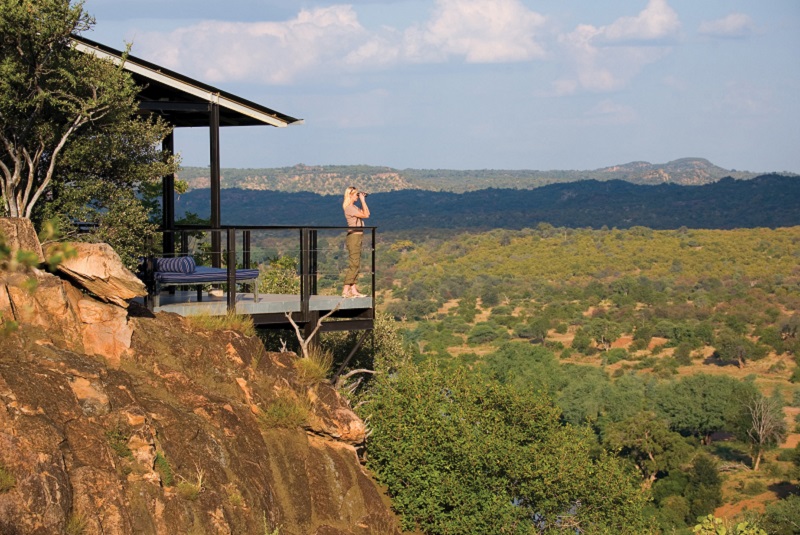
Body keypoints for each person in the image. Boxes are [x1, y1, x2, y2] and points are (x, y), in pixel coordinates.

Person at [342, 186, 370, 297]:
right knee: (354, 264)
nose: (357, 196)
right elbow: (366, 215)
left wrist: (363, 202)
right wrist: (363, 200)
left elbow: (367, 213)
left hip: (357, 236)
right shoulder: (349, 208)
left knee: (356, 263)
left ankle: (353, 290)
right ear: (350, 195)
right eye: (356, 195)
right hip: (353, 237)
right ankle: (345, 290)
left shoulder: (354, 207)